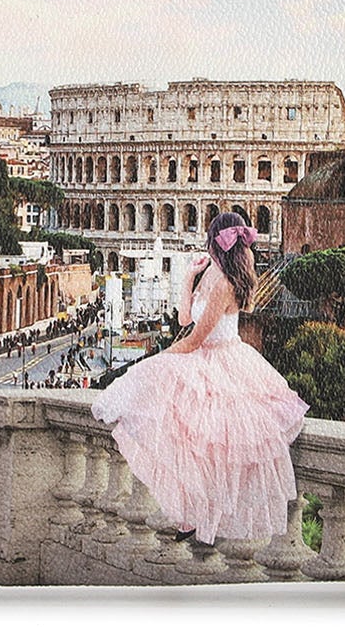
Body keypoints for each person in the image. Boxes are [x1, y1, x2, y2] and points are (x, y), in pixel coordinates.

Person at [90, 213, 307, 545]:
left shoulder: (224, 284)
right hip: (205, 357)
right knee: (185, 438)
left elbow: (194, 340)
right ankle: (192, 514)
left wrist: (157, 360)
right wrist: (189, 277)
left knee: (207, 444)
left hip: (223, 361)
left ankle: (199, 515)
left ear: (215, 242)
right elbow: (184, 319)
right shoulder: (214, 274)